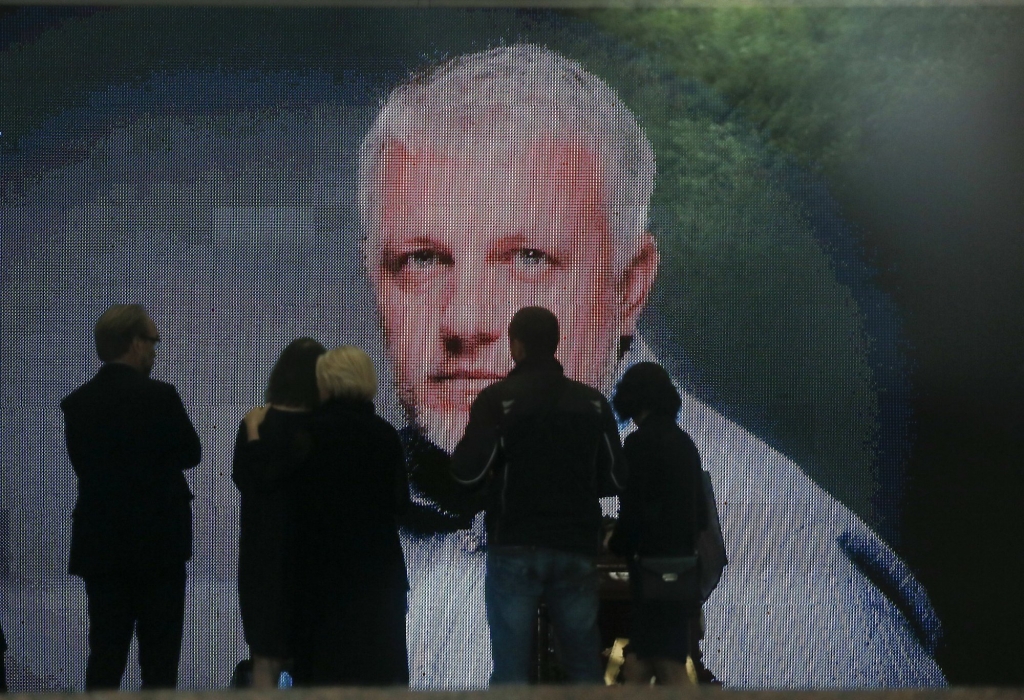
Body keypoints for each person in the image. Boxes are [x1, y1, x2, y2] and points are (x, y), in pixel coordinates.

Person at [360, 44, 945, 688]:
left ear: (630, 287)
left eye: (528, 259)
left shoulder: (792, 596)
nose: (463, 320)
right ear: (372, 274)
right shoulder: (350, 514)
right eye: (420, 261)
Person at [450, 306, 626, 684]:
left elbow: (466, 474)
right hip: (575, 544)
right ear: (556, 343)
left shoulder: (497, 400)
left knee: (512, 670)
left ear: (515, 345)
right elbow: (615, 477)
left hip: (515, 543)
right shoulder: (593, 403)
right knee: (583, 665)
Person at [59, 304, 201, 689]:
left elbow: (84, 465)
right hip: (160, 546)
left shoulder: (77, 403)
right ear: (135, 343)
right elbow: (192, 453)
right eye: (153, 340)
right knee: (159, 660)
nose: (156, 349)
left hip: (101, 546)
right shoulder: (160, 397)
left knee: (105, 654)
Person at [289, 346, 410, 686]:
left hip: (318, 577)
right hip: (377, 577)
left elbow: (289, 507)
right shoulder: (385, 434)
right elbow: (400, 504)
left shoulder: (305, 433)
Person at [232, 337, 326, 688]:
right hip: (312, 555)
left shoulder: (257, 422)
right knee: (311, 658)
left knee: (265, 657)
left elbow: (250, 480)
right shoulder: (322, 428)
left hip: (262, 556)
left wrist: (254, 432)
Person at [607, 362, 705, 685]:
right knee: (656, 656)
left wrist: (615, 542)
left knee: (654, 660)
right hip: (682, 571)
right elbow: (700, 515)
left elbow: (633, 514)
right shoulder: (686, 444)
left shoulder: (637, 445)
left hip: (648, 571)